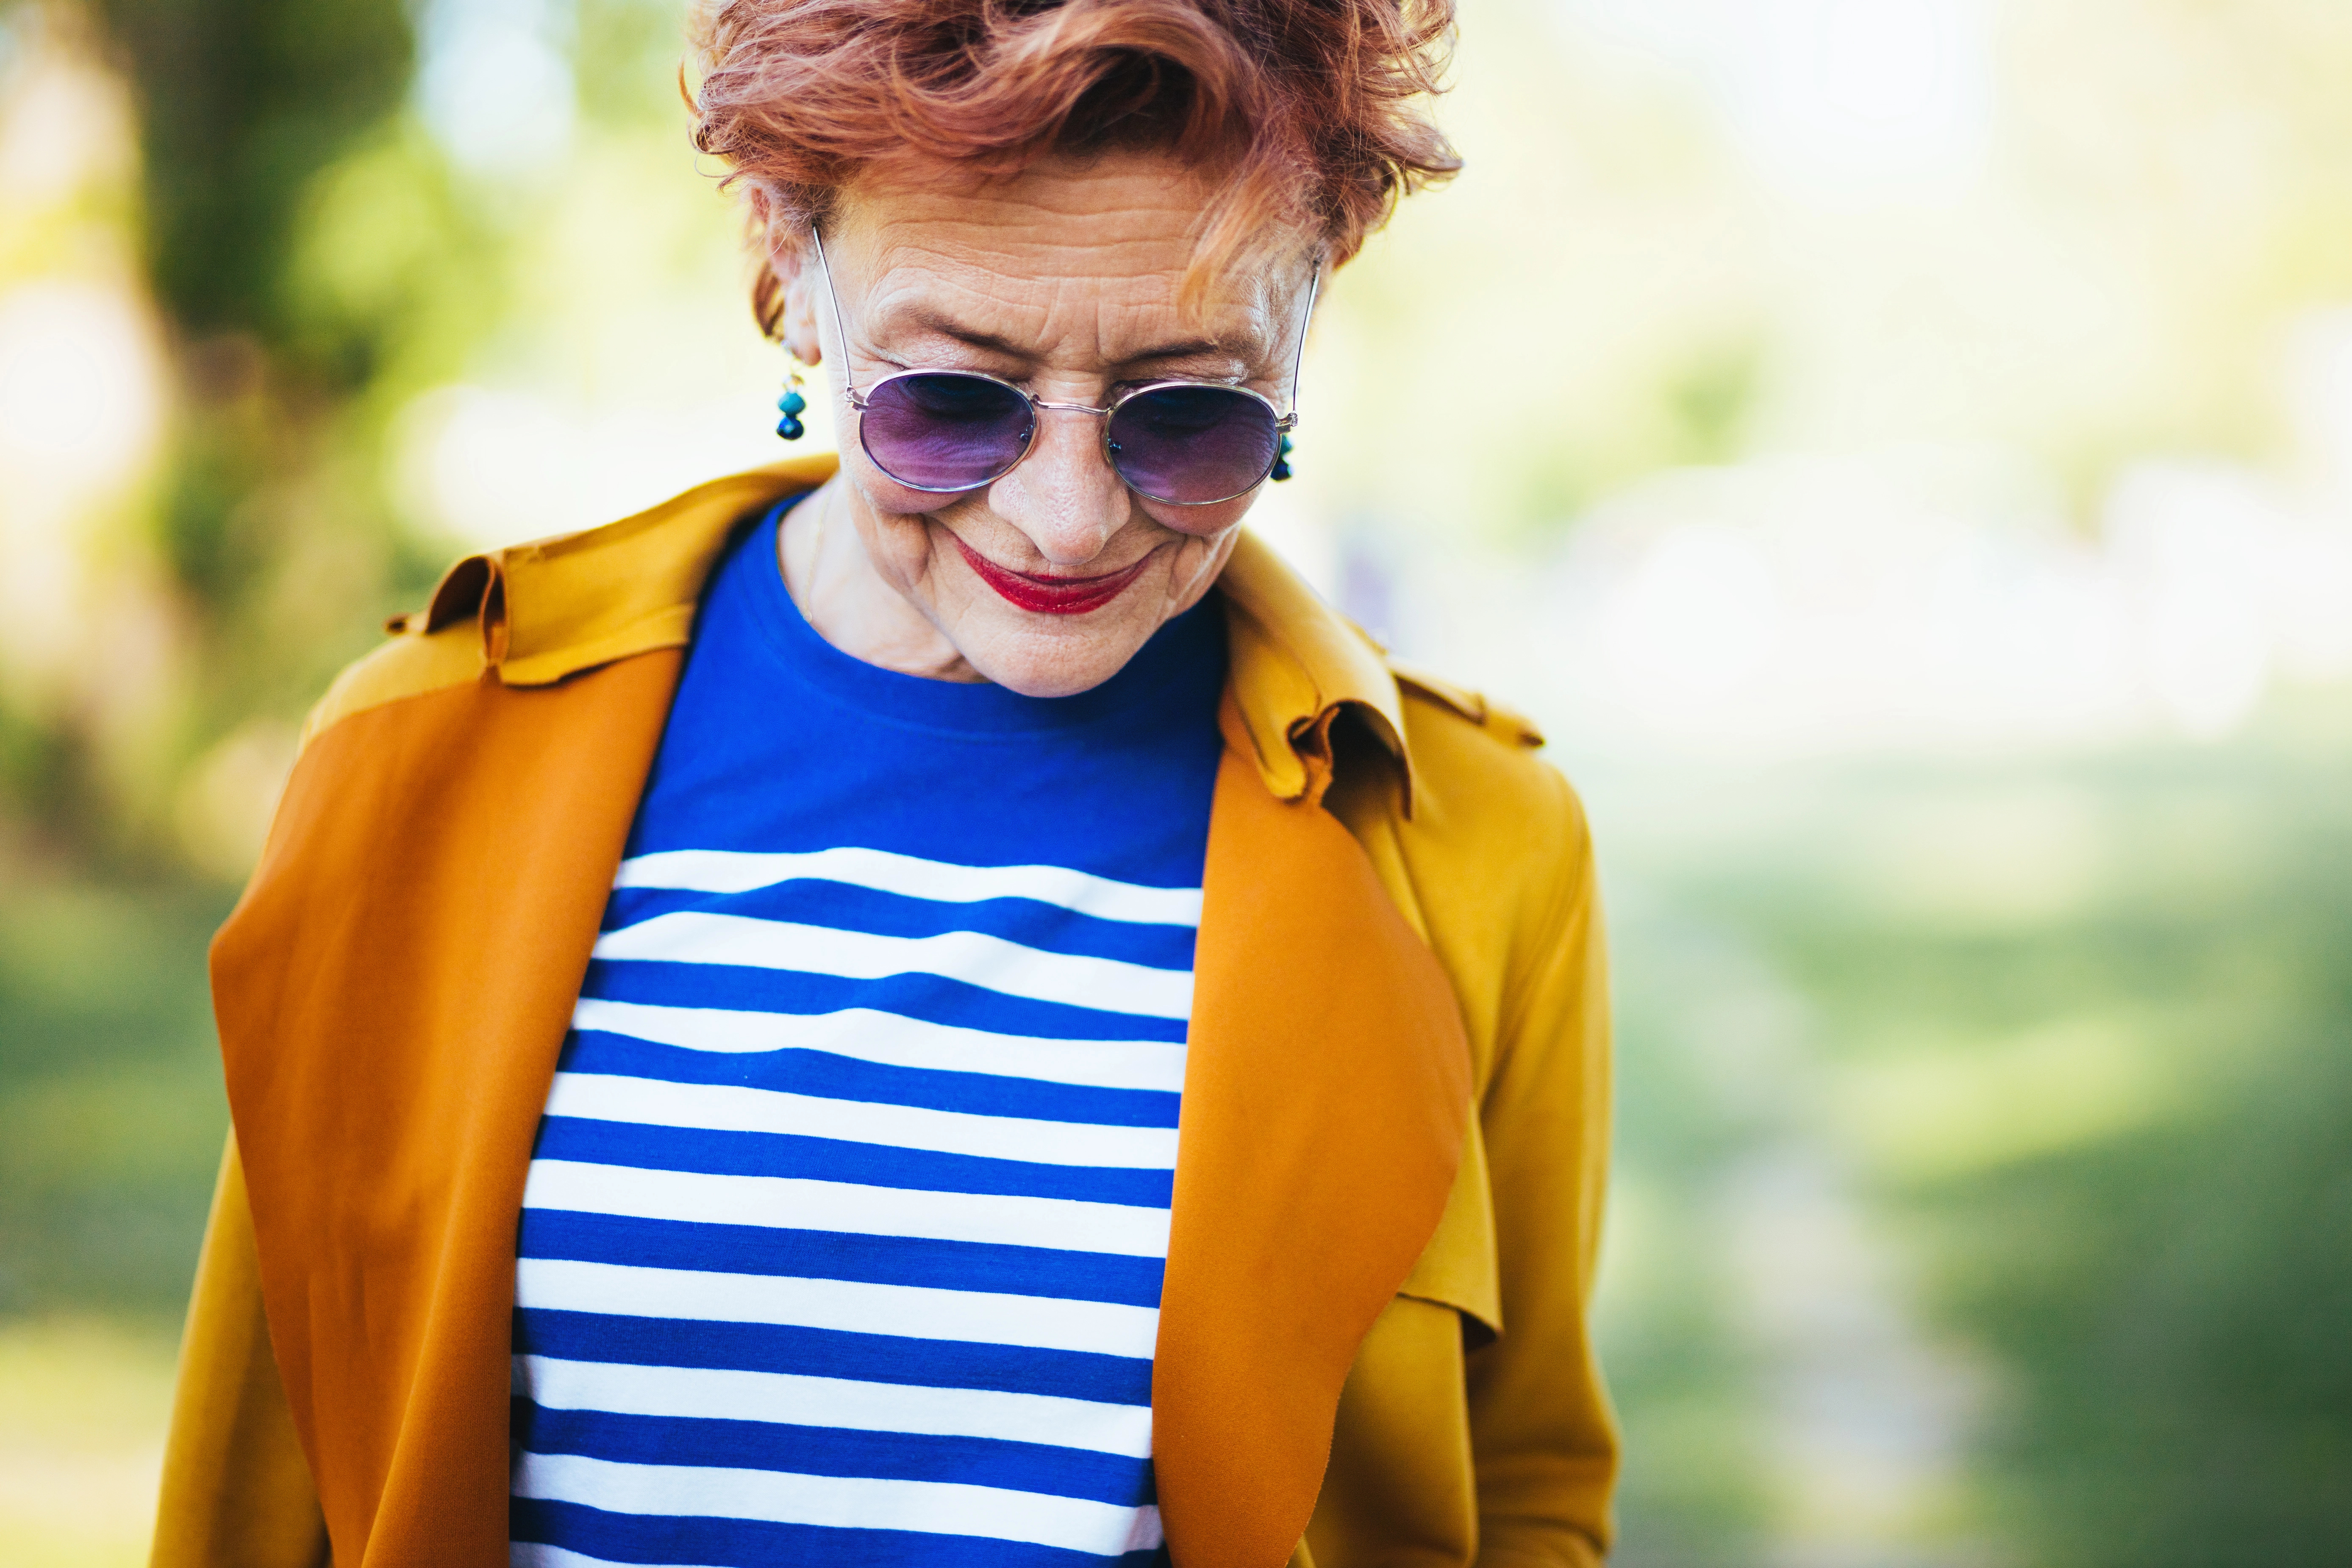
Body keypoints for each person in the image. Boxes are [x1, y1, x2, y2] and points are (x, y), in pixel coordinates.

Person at [149, 0, 1617, 1563]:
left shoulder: (1480, 849)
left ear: (1312, 314)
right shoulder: (417, 758)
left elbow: (1519, 1489)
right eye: (953, 401)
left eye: (1192, 415)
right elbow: (263, 1479)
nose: (1066, 520)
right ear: (784, 277)